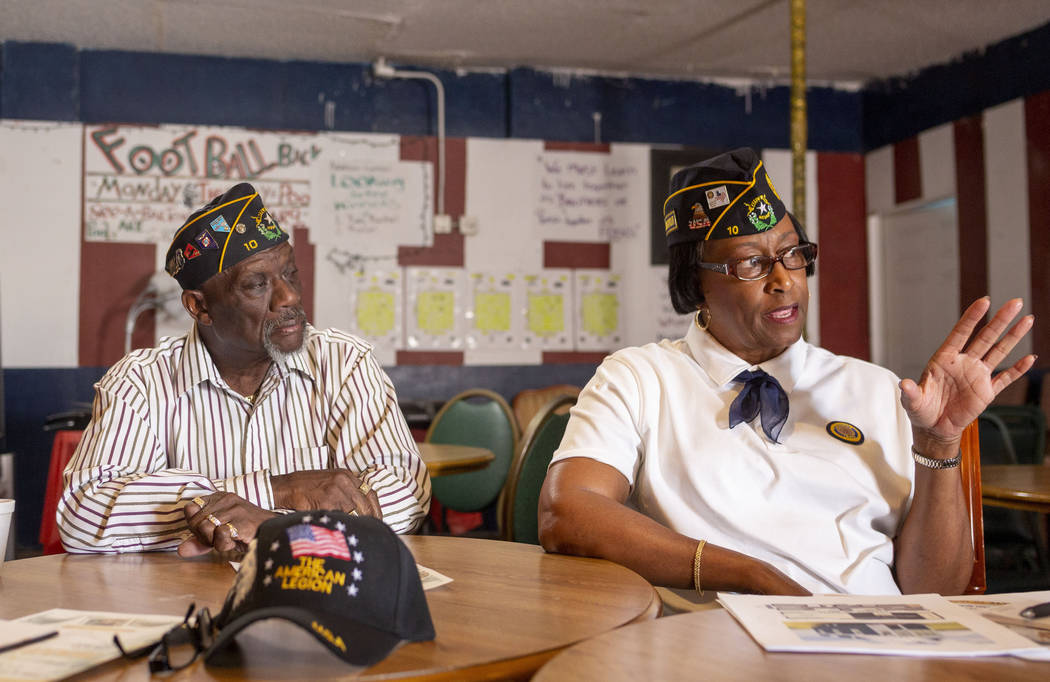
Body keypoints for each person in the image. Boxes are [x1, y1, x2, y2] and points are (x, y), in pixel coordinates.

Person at [538, 148, 1034, 596]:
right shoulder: (642, 378)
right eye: (751, 263)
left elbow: (936, 594)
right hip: (716, 642)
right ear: (697, 283)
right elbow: (567, 510)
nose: (783, 282)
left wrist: (939, 446)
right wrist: (747, 574)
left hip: (879, 646)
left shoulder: (880, 389)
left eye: (793, 254)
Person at [58, 183, 431, 555]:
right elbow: (82, 514)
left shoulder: (343, 364)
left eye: (291, 273)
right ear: (200, 307)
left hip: (318, 600)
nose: (290, 297)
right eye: (257, 284)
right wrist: (274, 489)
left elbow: (405, 492)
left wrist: (276, 528)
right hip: (182, 603)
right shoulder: (141, 382)